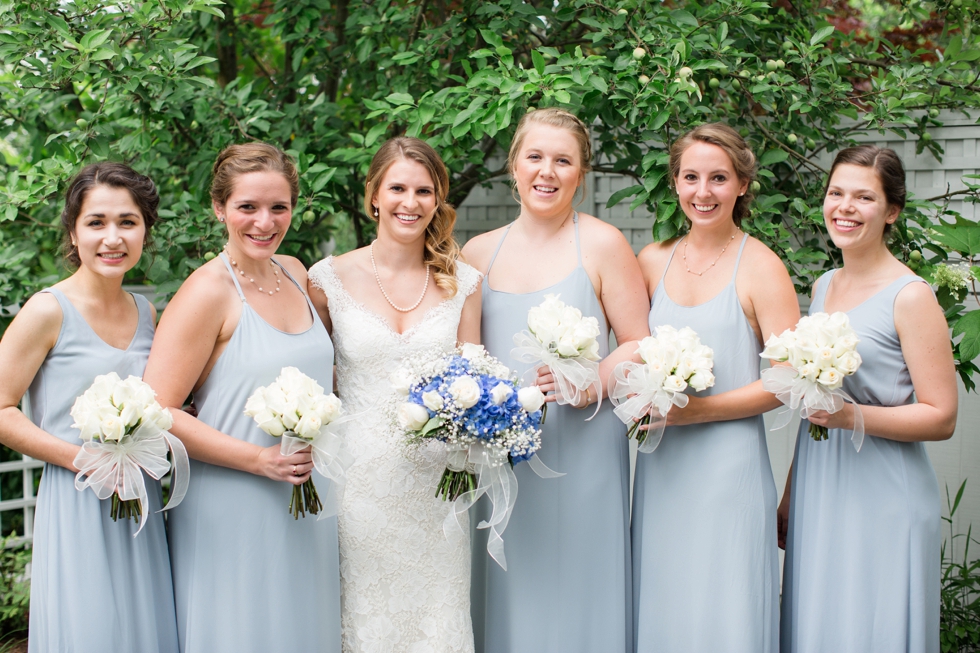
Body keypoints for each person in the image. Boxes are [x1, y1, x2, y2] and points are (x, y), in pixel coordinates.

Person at [461, 107, 650, 653]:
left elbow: (637, 340)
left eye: (562, 161)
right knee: (509, 586)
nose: (547, 171)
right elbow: (468, 356)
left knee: (577, 585)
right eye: (535, 157)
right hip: (501, 453)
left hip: (582, 450)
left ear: (580, 175)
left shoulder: (602, 243)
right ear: (513, 166)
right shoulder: (478, 252)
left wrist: (596, 380)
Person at [142, 143, 341, 653]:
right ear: (219, 208)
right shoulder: (206, 291)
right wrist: (258, 460)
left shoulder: (297, 273)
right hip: (233, 500)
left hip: (308, 497)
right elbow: (157, 409)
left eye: (279, 207)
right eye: (247, 207)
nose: (264, 222)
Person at [307, 136, 482, 652]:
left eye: (424, 191)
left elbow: (476, 377)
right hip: (358, 480)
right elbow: (306, 372)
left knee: (439, 617)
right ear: (374, 196)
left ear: (438, 199)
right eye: (398, 188)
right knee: (368, 618)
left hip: (439, 485)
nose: (411, 202)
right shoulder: (328, 279)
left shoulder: (463, 282)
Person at [779, 145, 956, 653]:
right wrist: (793, 491)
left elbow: (941, 416)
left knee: (867, 628)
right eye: (836, 193)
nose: (845, 207)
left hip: (882, 493)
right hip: (820, 482)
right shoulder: (823, 285)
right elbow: (816, 399)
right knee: (821, 624)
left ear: (892, 211)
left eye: (863, 197)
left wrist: (849, 415)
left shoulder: (910, 295)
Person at [632, 123, 800, 652]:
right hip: (662, 469)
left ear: (743, 184)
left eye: (719, 178)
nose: (703, 192)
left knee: (725, 609)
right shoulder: (651, 261)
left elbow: (789, 381)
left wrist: (697, 412)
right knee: (665, 601)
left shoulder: (763, 268)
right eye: (691, 177)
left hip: (731, 473)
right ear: (676, 183)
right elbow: (627, 355)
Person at [0, 163, 179, 652]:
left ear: (145, 230)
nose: (112, 237)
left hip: (140, 499)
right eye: (96, 222)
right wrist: (81, 459)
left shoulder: (147, 313)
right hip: (76, 494)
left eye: (128, 221)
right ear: (74, 232)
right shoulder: (47, 310)